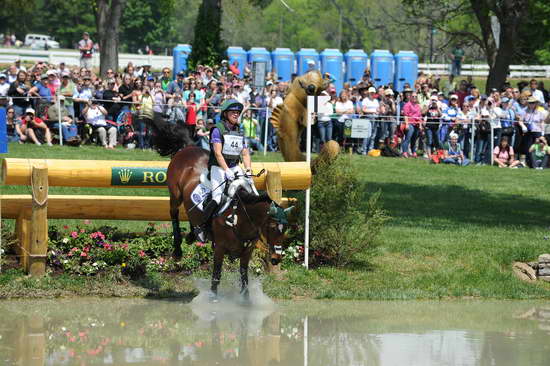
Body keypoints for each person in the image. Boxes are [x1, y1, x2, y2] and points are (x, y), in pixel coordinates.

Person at [195, 99, 254, 241]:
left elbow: (245, 153)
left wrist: (248, 169)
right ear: (225, 113)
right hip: (218, 167)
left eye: (238, 112)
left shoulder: (239, 130)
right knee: (217, 197)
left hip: (235, 166)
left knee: (251, 190)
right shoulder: (217, 129)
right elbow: (217, 153)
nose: (236, 114)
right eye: (233, 112)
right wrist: (226, 170)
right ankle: (201, 227)